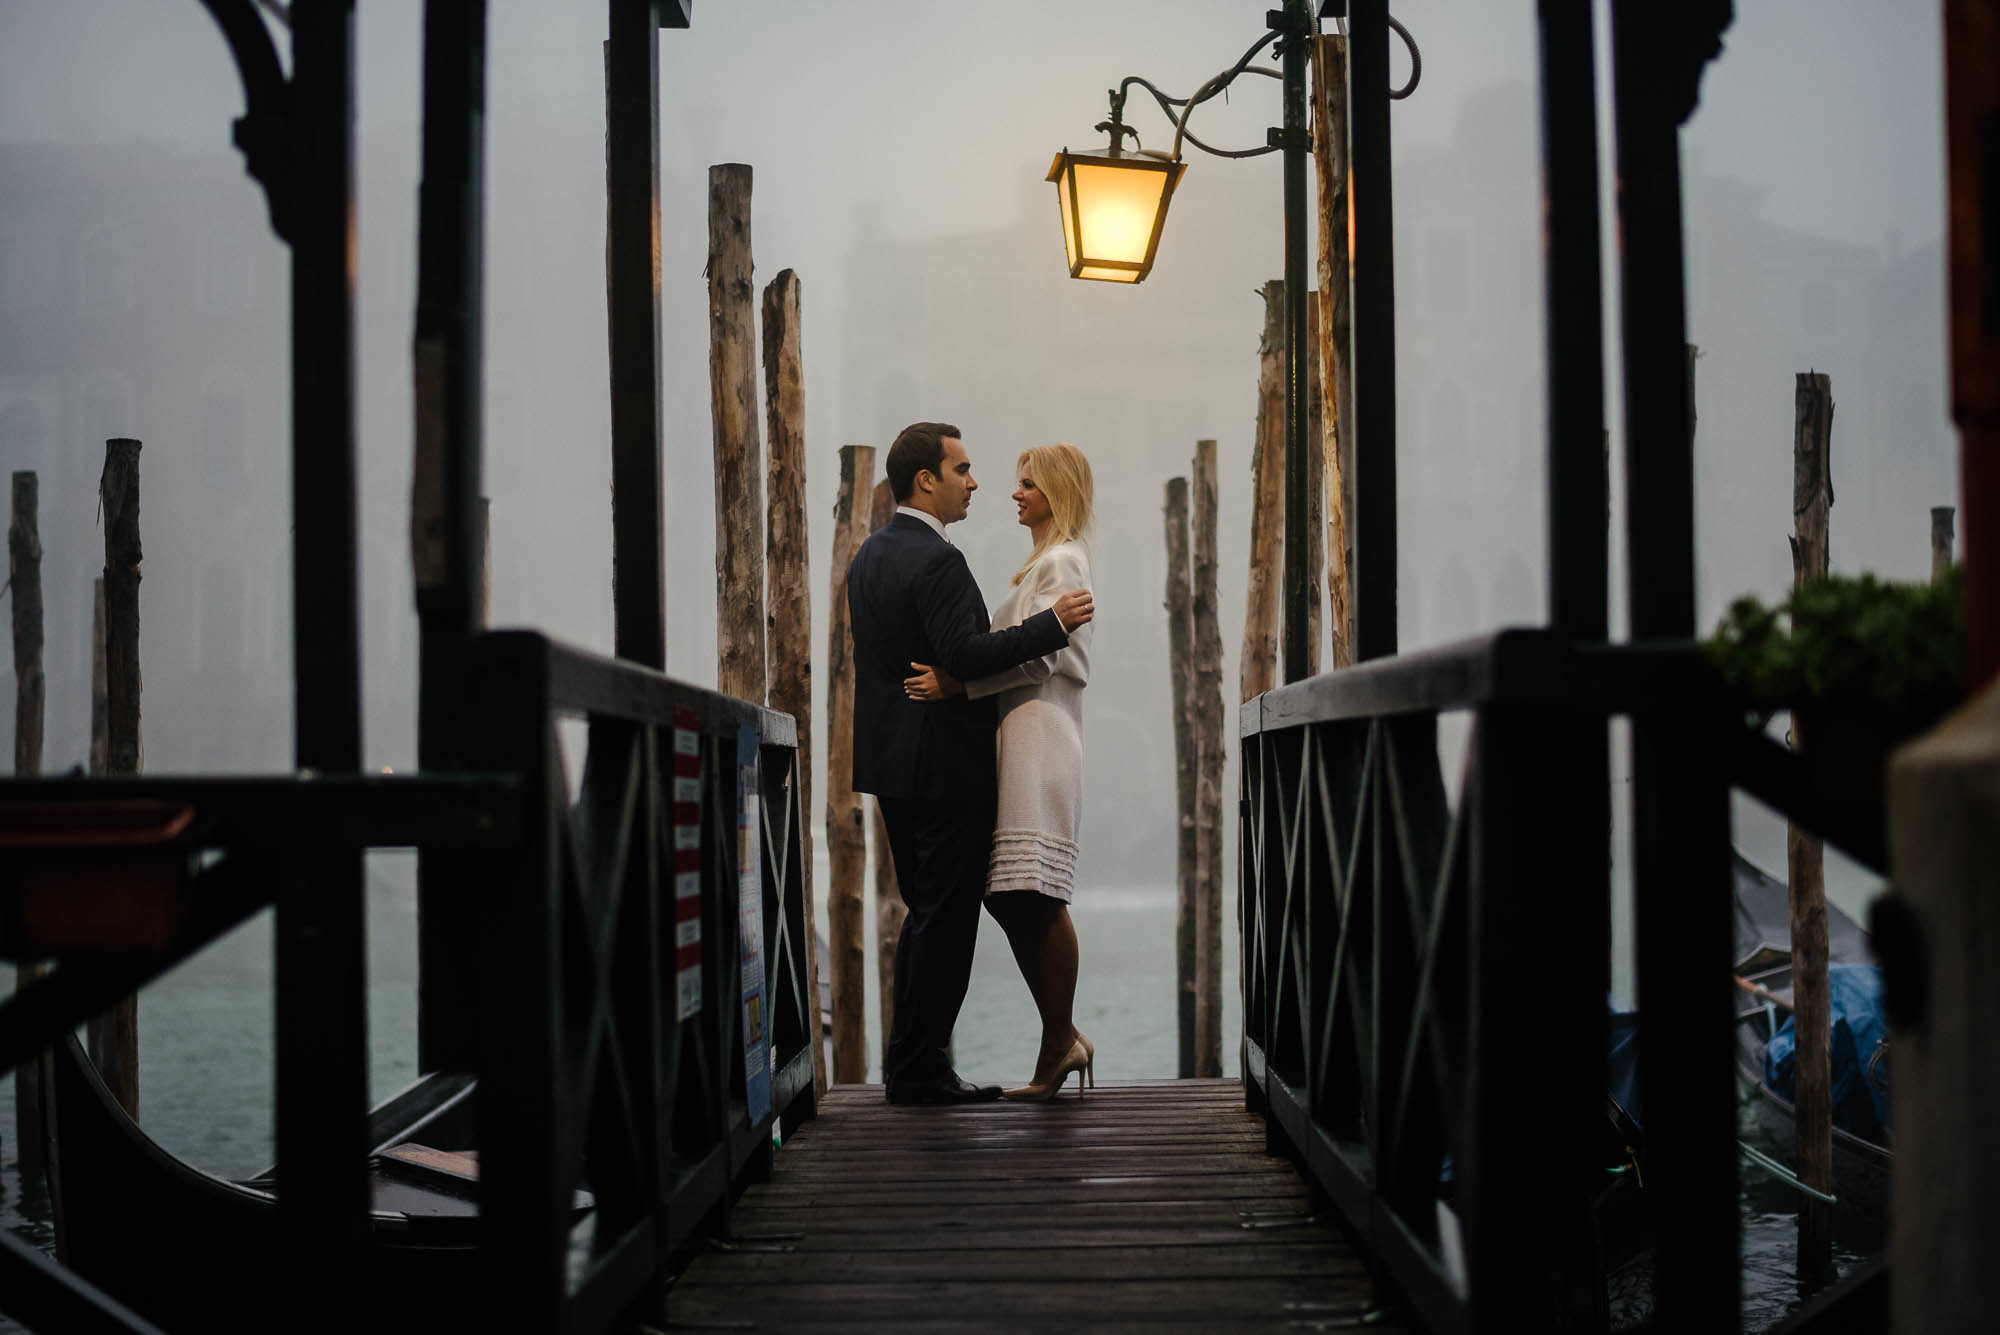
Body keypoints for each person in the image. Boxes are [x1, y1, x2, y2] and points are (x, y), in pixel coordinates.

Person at [847, 421, 1095, 1105]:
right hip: (945, 767)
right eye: (962, 469)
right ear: (926, 479)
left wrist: (960, 678)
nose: (976, 482)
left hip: (893, 762)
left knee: (927, 913)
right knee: (945, 921)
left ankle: (911, 1061)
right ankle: (923, 1067)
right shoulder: (939, 560)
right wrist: (1049, 626)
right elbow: (962, 653)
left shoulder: (868, 555)